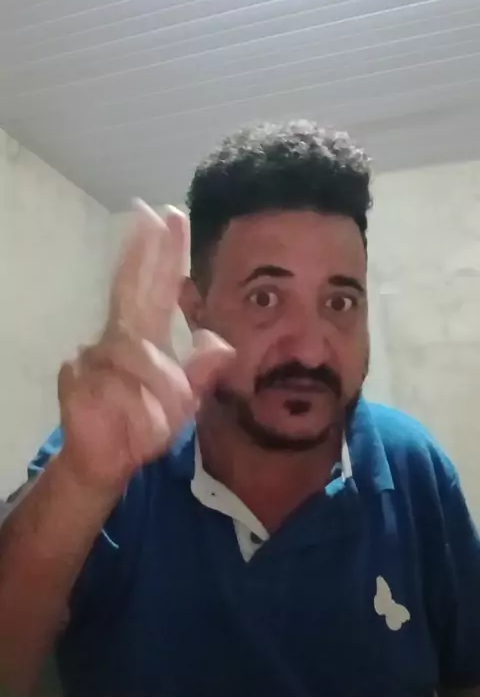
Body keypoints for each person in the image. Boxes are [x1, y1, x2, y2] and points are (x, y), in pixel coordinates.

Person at [0, 121, 479, 697]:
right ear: (195, 308)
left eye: (339, 302)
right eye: (265, 298)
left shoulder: (412, 467)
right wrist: (81, 481)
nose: (310, 349)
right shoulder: (112, 457)